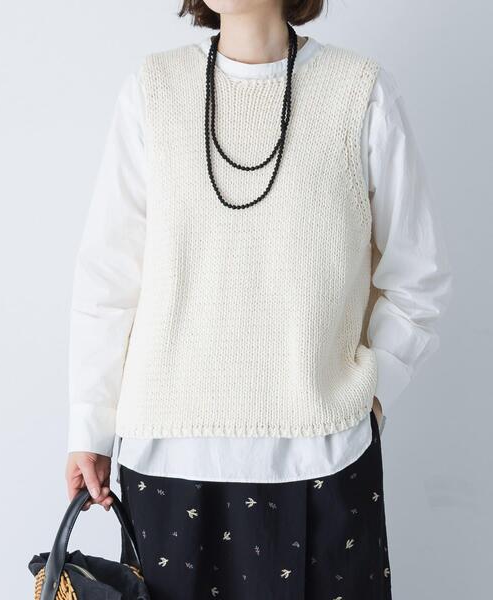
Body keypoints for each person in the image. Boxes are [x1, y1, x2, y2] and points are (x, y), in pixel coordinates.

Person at [65, 1, 452, 598]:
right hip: (167, 462)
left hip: (320, 457)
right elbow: (108, 281)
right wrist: (90, 426)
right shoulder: (153, 90)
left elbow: (418, 277)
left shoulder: (360, 92)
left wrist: (369, 401)